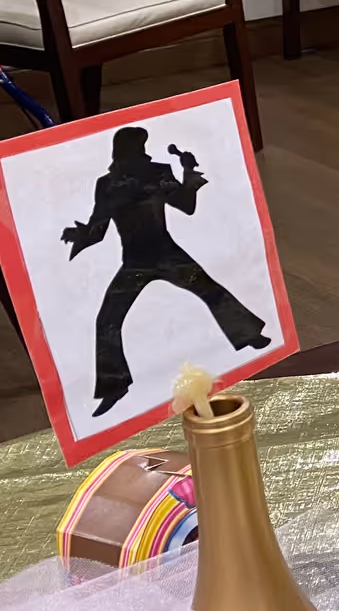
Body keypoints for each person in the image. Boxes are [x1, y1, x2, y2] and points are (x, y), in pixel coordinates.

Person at [62, 126, 269, 415]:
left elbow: (186, 205)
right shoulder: (107, 184)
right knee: (107, 320)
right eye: (139, 147)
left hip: (167, 254)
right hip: (135, 261)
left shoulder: (158, 171)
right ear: (125, 151)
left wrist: (187, 174)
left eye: (144, 147)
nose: (144, 152)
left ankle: (248, 335)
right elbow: (98, 228)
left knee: (211, 290)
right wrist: (79, 234)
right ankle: (114, 386)